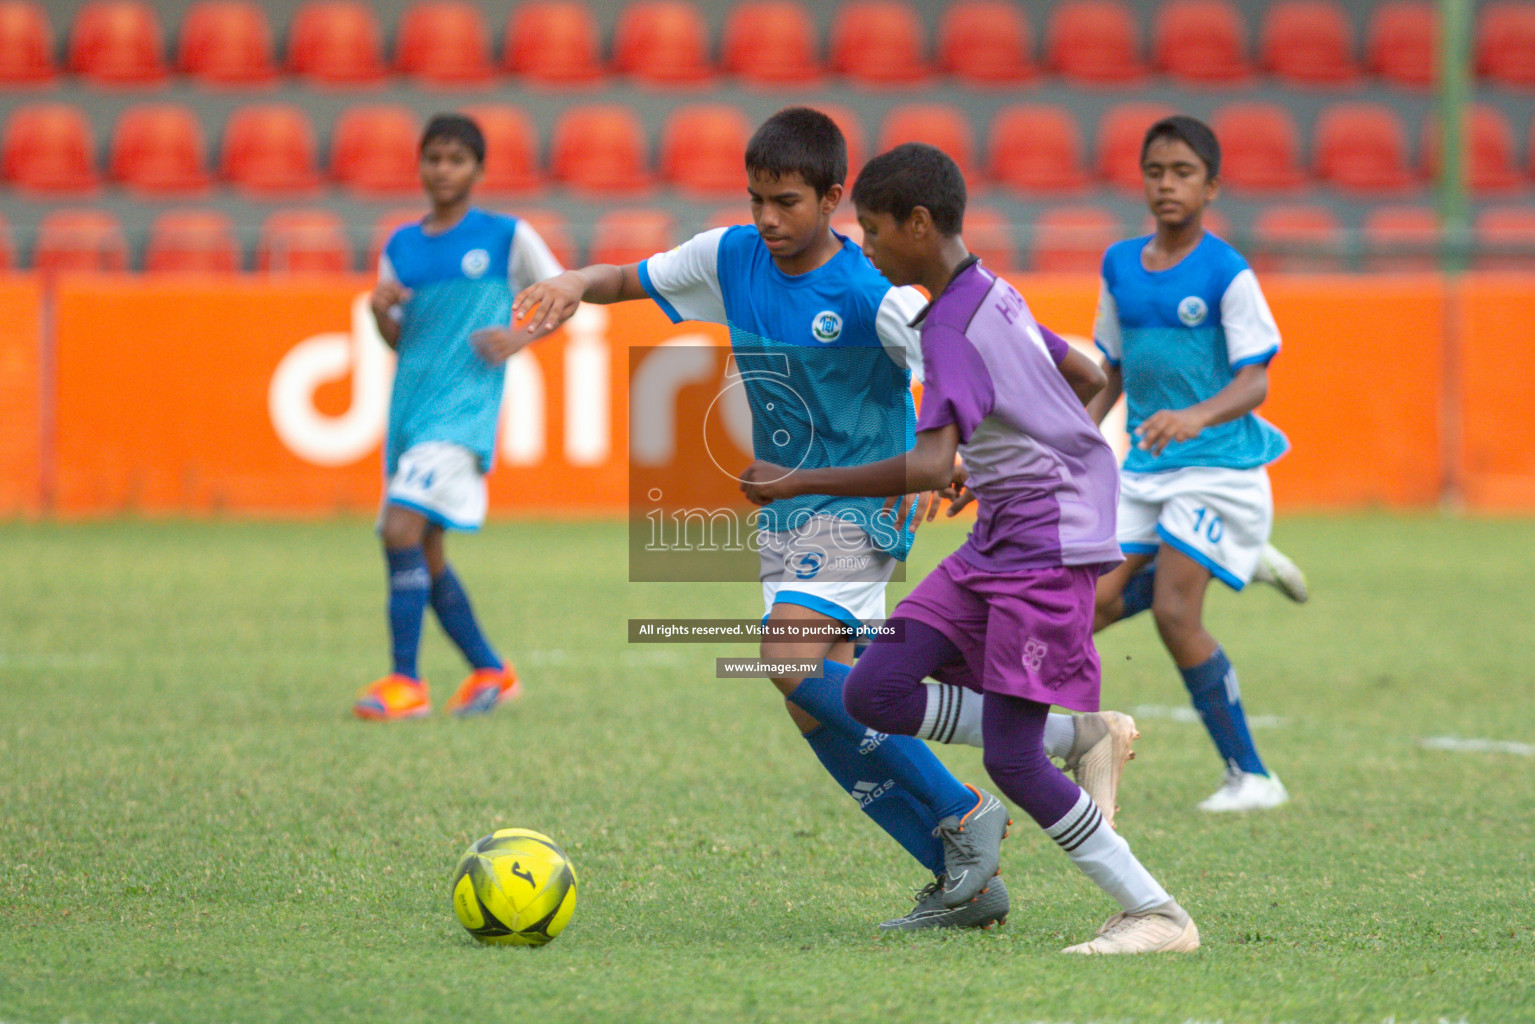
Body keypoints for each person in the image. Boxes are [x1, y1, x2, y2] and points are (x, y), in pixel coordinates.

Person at [504, 107, 1012, 930]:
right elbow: (630, 279)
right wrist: (572, 282)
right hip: (786, 514)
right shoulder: (729, 256)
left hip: (854, 505)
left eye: (786, 202)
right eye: (756, 201)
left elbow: (957, 367)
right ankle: (965, 882)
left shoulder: (868, 291)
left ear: (833, 197)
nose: (769, 220)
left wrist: (947, 458)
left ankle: (964, 810)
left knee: (783, 658)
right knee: (816, 702)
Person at [741, 142, 1200, 954]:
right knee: (871, 690)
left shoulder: (948, 326)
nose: (866, 246)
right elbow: (1088, 377)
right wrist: (1023, 457)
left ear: (918, 224)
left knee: (1010, 761)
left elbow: (924, 464)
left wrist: (793, 482)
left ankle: (1156, 913)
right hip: (999, 542)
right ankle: (1084, 735)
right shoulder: (995, 293)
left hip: (1043, 550)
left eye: (875, 230)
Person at [1086, 115, 1299, 812]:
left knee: (1175, 612)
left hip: (1218, 469)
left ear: (1211, 185)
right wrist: (1074, 438)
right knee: (1089, 605)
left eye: (1181, 173)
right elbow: (1109, 371)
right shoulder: (1118, 266)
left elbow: (1255, 381)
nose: (1165, 185)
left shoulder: (1225, 272)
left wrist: (1194, 415)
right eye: (1154, 171)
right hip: (1147, 470)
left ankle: (1252, 778)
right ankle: (1237, 556)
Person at [352, 113, 563, 721]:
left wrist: (519, 338)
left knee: (398, 531)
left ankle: (405, 682)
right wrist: (378, 312)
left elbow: (562, 294)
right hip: (410, 415)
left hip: (462, 417)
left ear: (478, 169)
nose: (442, 169)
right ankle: (492, 671)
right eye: (433, 158)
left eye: (455, 159)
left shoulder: (506, 235)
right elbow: (397, 340)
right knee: (427, 551)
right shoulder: (401, 246)